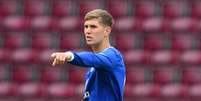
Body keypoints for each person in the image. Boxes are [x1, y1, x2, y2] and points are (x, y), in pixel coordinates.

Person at [51, 9, 126, 101]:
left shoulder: (113, 56)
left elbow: (92, 58)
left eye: (93, 27)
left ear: (107, 31)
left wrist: (70, 55)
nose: (88, 31)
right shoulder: (95, 66)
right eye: (86, 27)